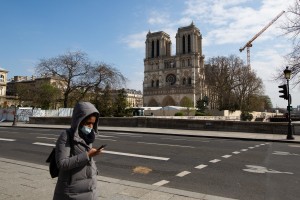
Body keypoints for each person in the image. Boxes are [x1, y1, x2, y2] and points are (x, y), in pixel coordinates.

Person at [53, 102, 103, 200]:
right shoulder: (66, 136)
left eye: (93, 123)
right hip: (72, 191)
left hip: (89, 188)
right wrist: (88, 155)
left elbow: (86, 159)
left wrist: (94, 170)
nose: (91, 126)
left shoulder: (88, 137)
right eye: (88, 123)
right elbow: (62, 163)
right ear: (79, 120)